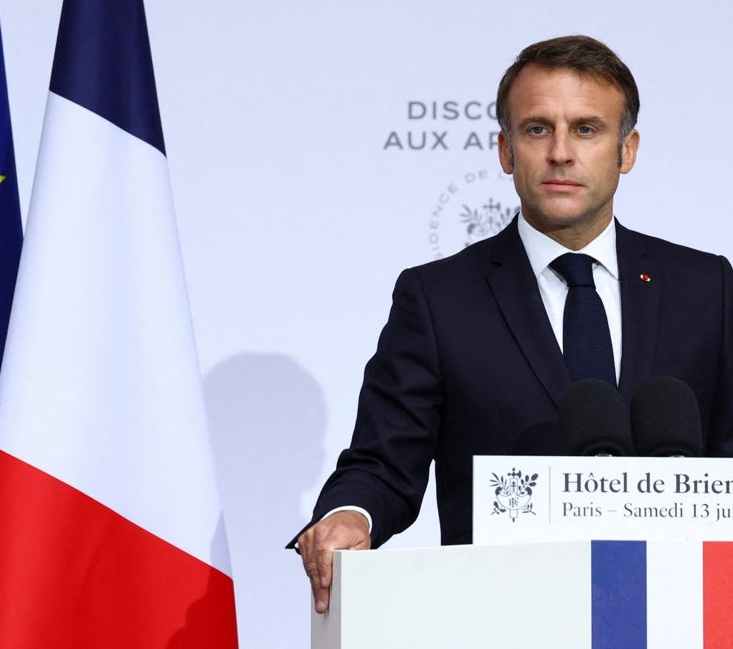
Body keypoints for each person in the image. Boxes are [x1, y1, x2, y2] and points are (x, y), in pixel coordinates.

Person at [292, 35, 733, 614]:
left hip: (676, 616)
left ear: (627, 150)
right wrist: (350, 513)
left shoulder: (706, 286)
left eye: (586, 129)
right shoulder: (439, 298)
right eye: (536, 129)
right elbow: (383, 461)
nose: (560, 153)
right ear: (505, 151)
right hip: (501, 615)